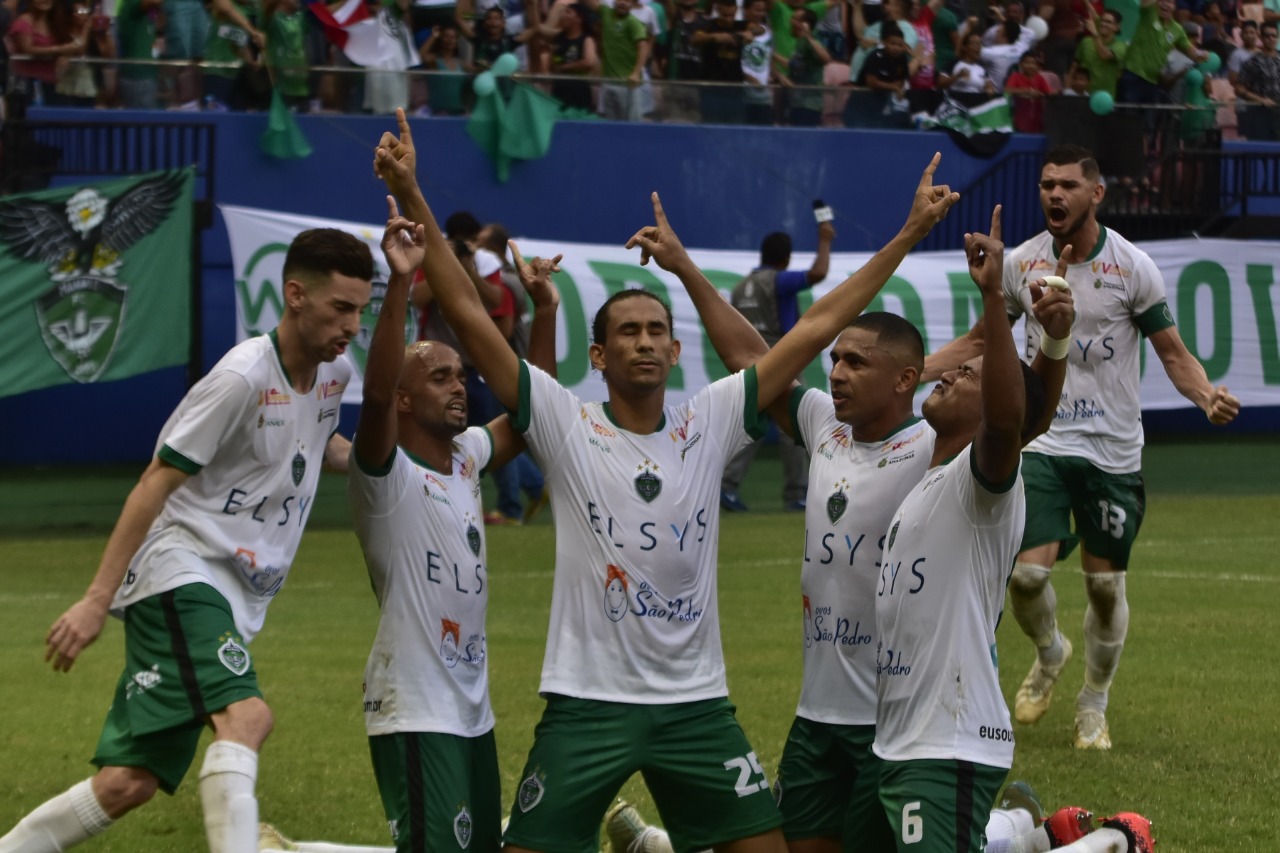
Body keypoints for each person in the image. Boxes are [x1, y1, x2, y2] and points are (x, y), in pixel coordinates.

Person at [373, 109, 958, 853]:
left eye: (656, 331)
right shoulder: (564, 420)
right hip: (588, 701)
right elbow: (464, 309)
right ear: (600, 352)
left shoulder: (710, 420)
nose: (645, 341)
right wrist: (414, 193)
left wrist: (905, 236)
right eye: (627, 332)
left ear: (677, 349)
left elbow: (812, 330)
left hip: (696, 706)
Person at [0, 229, 374, 852]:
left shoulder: (334, 373)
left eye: (361, 309)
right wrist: (96, 599)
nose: (353, 325)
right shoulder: (241, 378)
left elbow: (322, 446)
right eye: (341, 307)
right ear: (295, 295)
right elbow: (156, 481)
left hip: (231, 594)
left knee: (129, 782)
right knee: (248, 718)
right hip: (184, 572)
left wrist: (386, 461)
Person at [254, 204, 562, 853]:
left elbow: (539, 410)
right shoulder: (384, 472)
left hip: (471, 708)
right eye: (440, 375)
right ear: (400, 397)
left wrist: (545, 311)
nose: (460, 385)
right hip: (415, 708)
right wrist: (399, 282)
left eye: (462, 374)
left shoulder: (467, 459)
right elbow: (382, 373)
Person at [923, 144, 1241, 751]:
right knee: (1024, 577)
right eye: (1046, 185)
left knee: (1104, 588)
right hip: (1043, 438)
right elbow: (977, 340)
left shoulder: (1132, 265)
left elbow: (1173, 353)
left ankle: (1093, 702)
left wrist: (1204, 396)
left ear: (1096, 194)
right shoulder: (1021, 263)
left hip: (1113, 450)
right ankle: (1050, 653)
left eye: (1067, 185)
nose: (1054, 195)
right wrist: (910, 369)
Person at [853, 204, 1068, 853]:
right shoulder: (929, 472)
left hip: (948, 744)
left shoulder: (986, 484)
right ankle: (1021, 833)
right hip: (893, 740)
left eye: (967, 374)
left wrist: (997, 303)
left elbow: (1011, 417)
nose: (949, 371)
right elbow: (1019, 407)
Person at [720, 214, 835, 513]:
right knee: (797, 424)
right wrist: (825, 238)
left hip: (749, 362)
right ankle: (797, 494)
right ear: (785, 258)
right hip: (781, 359)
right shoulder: (779, 279)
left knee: (750, 423)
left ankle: (726, 487)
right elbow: (818, 272)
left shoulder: (740, 286)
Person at [1236, 22, 1280, 139]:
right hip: (1260, 114)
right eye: (1267, 36)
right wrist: (1261, 100)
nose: (1270, 39)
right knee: (1262, 150)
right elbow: (1239, 89)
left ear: (1278, 37)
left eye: (1273, 36)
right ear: (1261, 37)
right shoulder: (1252, 62)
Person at [1070, 6, 1125, 98]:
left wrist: (1095, 35)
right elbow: (1074, 67)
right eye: (1102, 21)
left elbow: (1105, 55)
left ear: (1117, 27)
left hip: (1105, 98)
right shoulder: (1086, 42)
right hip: (1083, 96)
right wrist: (1067, 88)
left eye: (1108, 22)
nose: (1103, 24)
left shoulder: (1121, 46)